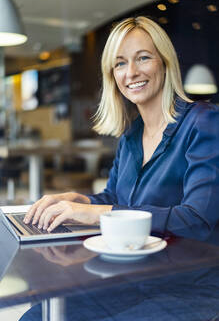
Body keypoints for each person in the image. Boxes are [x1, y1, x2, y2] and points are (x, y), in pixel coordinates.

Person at [24, 16, 219, 240]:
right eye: (120, 63)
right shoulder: (131, 134)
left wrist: (95, 214)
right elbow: (115, 199)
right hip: (136, 262)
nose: (131, 72)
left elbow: (197, 220)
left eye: (143, 58)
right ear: (113, 75)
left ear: (165, 63)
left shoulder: (204, 122)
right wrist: (78, 201)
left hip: (191, 269)